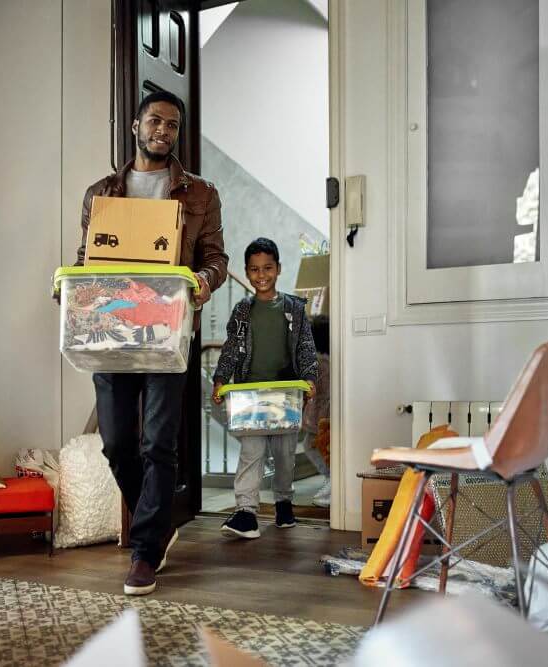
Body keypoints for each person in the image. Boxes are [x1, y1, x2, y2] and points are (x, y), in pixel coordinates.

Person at [75, 90, 228, 596]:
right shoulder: (101, 193)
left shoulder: (200, 194)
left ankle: (143, 550)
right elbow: (88, 258)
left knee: (158, 442)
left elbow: (216, 259)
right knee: (117, 441)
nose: (164, 130)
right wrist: (71, 287)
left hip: (167, 330)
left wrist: (203, 282)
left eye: (173, 125)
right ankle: (158, 527)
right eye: (156, 121)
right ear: (136, 126)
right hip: (113, 330)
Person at [212, 238, 317, 539]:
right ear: (246, 272)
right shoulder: (242, 311)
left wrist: (309, 378)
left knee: (285, 455)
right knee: (251, 452)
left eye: (268, 268)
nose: (261, 275)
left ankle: (284, 502)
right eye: (255, 270)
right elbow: (231, 348)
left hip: (286, 394)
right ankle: (246, 512)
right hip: (250, 395)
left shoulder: (294, 309)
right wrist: (220, 379)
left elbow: (306, 349)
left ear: (278, 269)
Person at [302, 315, 331, 508]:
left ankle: (331, 478)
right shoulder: (329, 361)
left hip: (319, 414)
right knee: (321, 447)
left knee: (311, 445)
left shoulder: (317, 363)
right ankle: (331, 478)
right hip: (326, 412)